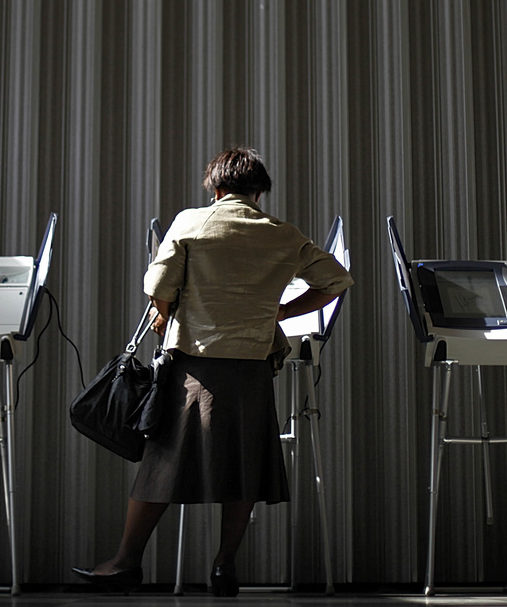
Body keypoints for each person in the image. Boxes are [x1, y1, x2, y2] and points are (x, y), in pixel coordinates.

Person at [73, 147, 354, 597]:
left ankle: (126, 562)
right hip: (252, 369)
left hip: (195, 368)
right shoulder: (283, 234)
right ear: (259, 192)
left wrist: (165, 314)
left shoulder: (192, 222)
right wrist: (280, 311)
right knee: (243, 465)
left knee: (161, 464)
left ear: (216, 187)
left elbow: (158, 286)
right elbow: (337, 281)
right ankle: (225, 566)